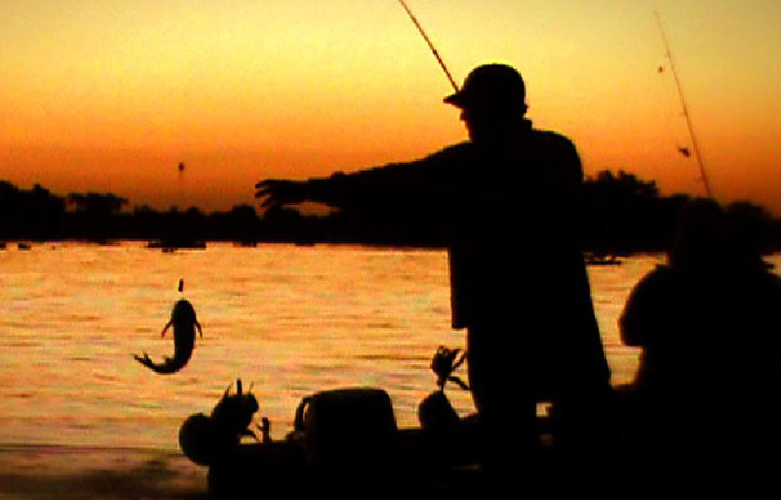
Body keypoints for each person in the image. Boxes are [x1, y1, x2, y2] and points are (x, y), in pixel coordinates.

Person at [256, 64, 613, 465]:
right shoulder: (559, 153)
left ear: (494, 109)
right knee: (583, 442)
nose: (464, 118)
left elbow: (391, 183)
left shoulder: (470, 164)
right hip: (568, 324)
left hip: (499, 329)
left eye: (470, 109)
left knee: (510, 447)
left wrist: (307, 190)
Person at [619, 199, 781, 484]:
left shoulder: (657, 285)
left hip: (665, 410)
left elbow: (630, 334)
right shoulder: (768, 287)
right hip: (757, 412)